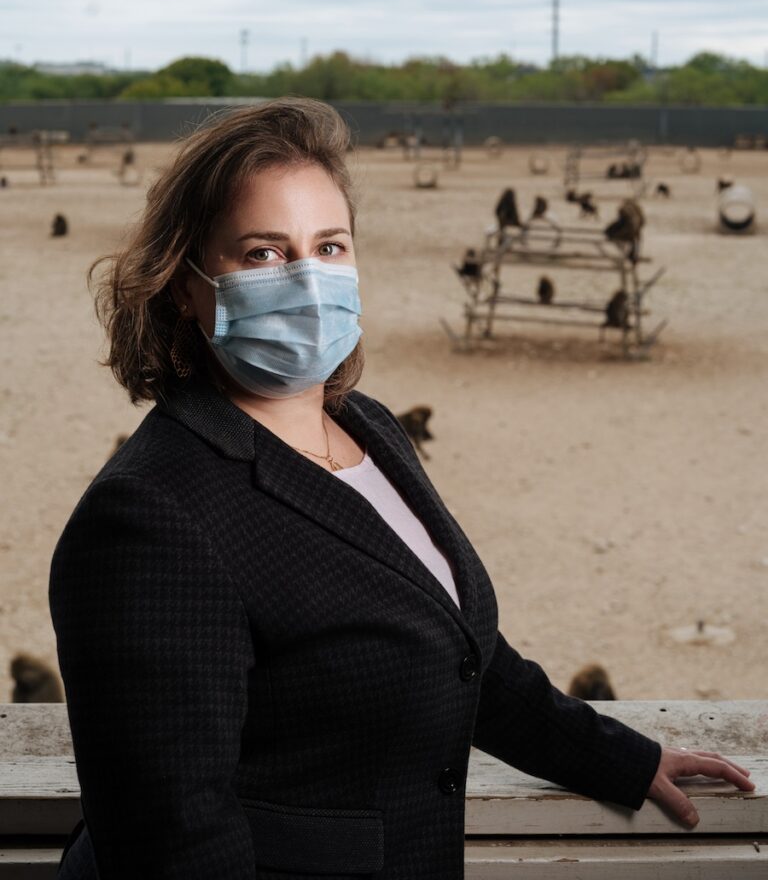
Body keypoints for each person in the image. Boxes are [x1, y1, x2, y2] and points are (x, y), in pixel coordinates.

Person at [48, 98, 753, 880]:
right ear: (183, 283)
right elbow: (174, 840)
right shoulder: (149, 515)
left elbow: (460, 653)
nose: (308, 281)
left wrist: (619, 757)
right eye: (262, 253)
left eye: (329, 246)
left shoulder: (369, 428)